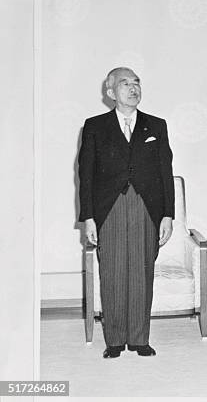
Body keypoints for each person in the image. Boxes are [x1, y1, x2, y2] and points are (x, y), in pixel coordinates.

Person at [78, 67, 174, 358]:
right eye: (124, 84)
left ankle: (140, 338)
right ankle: (115, 340)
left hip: (147, 206)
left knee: (143, 270)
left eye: (136, 83)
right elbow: (85, 176)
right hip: (110, 208)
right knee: (113, 271)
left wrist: (168, 214)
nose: (132, 88)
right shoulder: (94, 126)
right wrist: (89, 217)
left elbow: (165, 172)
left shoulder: (156, 125)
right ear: (110, 93)